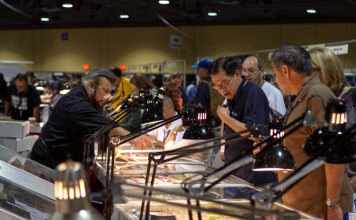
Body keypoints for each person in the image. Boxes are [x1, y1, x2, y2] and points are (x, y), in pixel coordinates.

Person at [270, 44, 352, 219]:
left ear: (285, 70)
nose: (275, 80)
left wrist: (333, 204)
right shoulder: (303, 95)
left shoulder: (317, 95)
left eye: (275, 74)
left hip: (320, 209)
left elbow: (334, 155)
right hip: (303, 206)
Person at [31, 68, 153, 169]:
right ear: (91, 85)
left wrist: (114, 154)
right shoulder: (76, 103)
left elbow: (100, 130)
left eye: (110, 92)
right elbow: (108, 127)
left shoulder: (94, 100)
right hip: (49, 158)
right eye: (105, 91)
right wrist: (132, 137)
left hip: (65, 160)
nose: (107, 97)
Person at [209, 57, 276, 186]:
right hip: (235, 170)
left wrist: (226, 118)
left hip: (252, 174)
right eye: (217, 86)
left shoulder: (253, 94)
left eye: (224, 84)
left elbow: (255, 134)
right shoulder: (232, 93)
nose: (222, 90)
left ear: (237, 74)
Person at [309, 47, 356, 195]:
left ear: (323, 70)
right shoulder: (317, 98)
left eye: (308, 71)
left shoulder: (352, 96)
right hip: (325, 186)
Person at [193, 59, 224, 127]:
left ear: (205, 70)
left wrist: (198, 126)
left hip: (209, 125)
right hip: (221, 122)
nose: (197, 73)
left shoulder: (203, 86)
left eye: (198, 71)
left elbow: (200, 109)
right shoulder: (219, 83)